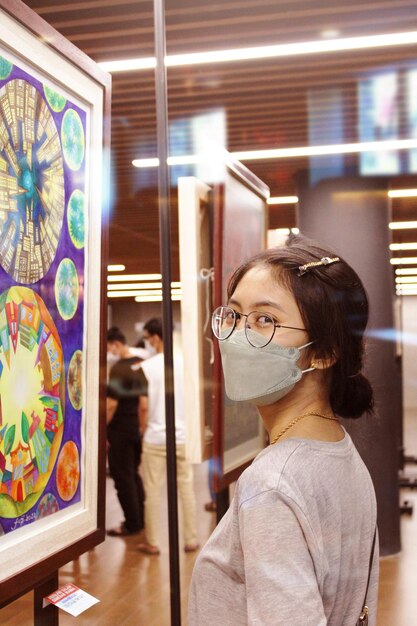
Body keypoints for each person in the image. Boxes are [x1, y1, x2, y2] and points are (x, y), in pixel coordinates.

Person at [189, 235, 379, 625]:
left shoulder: (272, 482)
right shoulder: (338, 448)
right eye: (234, 315)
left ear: (324, 352)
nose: (238, 336)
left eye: (265, 320)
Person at [137, 317, 199, 555]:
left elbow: (143, 406)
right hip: (182, 437)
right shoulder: (186, 365)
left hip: (155, 437)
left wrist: (144, 430)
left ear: (155, 337)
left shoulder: (147, 368)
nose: (149, 343)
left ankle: (152, 542)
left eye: (149, 339)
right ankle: (191, 539)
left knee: (153, 490)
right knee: (186, 487)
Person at [106, 327, 146, 536]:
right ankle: (139, 519)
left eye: (109, 347)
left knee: (122, 477)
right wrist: (142, 427)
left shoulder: (119, 368)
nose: (110, 352)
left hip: (119, 430)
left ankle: (131, 523)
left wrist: (102, 430)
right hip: (134, 429)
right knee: (133, 474)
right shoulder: (139, 366)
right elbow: (144, 403)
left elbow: (111, 405)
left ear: (116, 344)